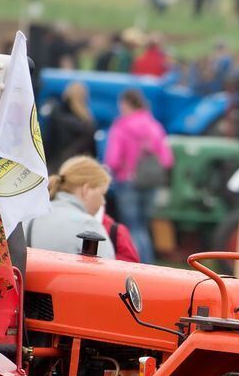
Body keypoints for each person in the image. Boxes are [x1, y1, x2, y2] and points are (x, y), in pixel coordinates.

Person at [103, 88, 172, 263]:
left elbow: (113, 159)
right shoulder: (154, 125)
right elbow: (167, 159)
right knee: (143, 226)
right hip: (150, 182)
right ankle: (148, 263)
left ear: (126, 104)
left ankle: (138, 263)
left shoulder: (121, 126)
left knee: (132, 227)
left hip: (128, 181)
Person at [25, 156, 115, 258]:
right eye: (102, 194)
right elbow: (107, 265)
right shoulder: (88, 225)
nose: (103, 202)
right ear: (86, 189)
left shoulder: (29, 218)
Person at [44, 81, 96, 172]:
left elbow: (47, 143)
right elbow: (92, 153)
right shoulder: (88, 123)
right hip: (76, 169)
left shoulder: (56, 116)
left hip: (55, 166)